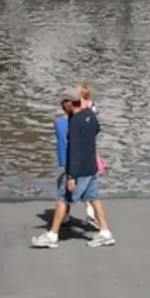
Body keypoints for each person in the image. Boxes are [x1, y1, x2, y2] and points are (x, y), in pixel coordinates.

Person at [33, 87, 115, 248]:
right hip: (91, 167)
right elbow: (97, 130)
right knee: (94, 199)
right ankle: (105, 233)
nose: (62, 106)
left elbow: (75, 151)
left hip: (79, 171)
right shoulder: (90, 115)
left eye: (64, 103)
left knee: (62, 199)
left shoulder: (75, 121)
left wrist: (72, 177)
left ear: (70, 103)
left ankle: (52, 236)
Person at [55, 98, 98, 230]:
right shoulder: (83, 120)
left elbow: (66, 143)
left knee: (64, 194)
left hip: (71, 160)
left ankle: (59, 224)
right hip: (83, 160)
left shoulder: (62, 122)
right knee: (89, 191)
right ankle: (91, 215)